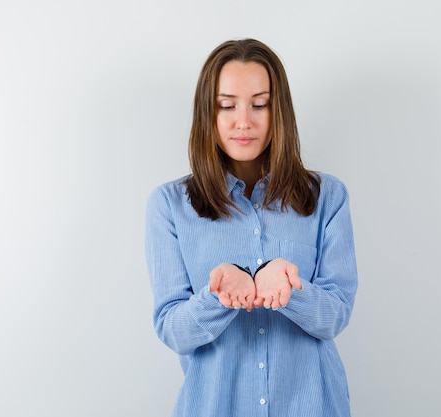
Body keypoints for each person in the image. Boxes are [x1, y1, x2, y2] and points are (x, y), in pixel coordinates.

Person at [145, 38, 358, 417]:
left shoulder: (328, 196)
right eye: (226, 105)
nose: (244, 121)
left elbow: (336, 316)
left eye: (260, 104)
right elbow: (172, 329)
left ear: (280, 112)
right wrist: (219, 296)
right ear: (206, 114)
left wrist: (292, 290)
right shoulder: (169, 205)